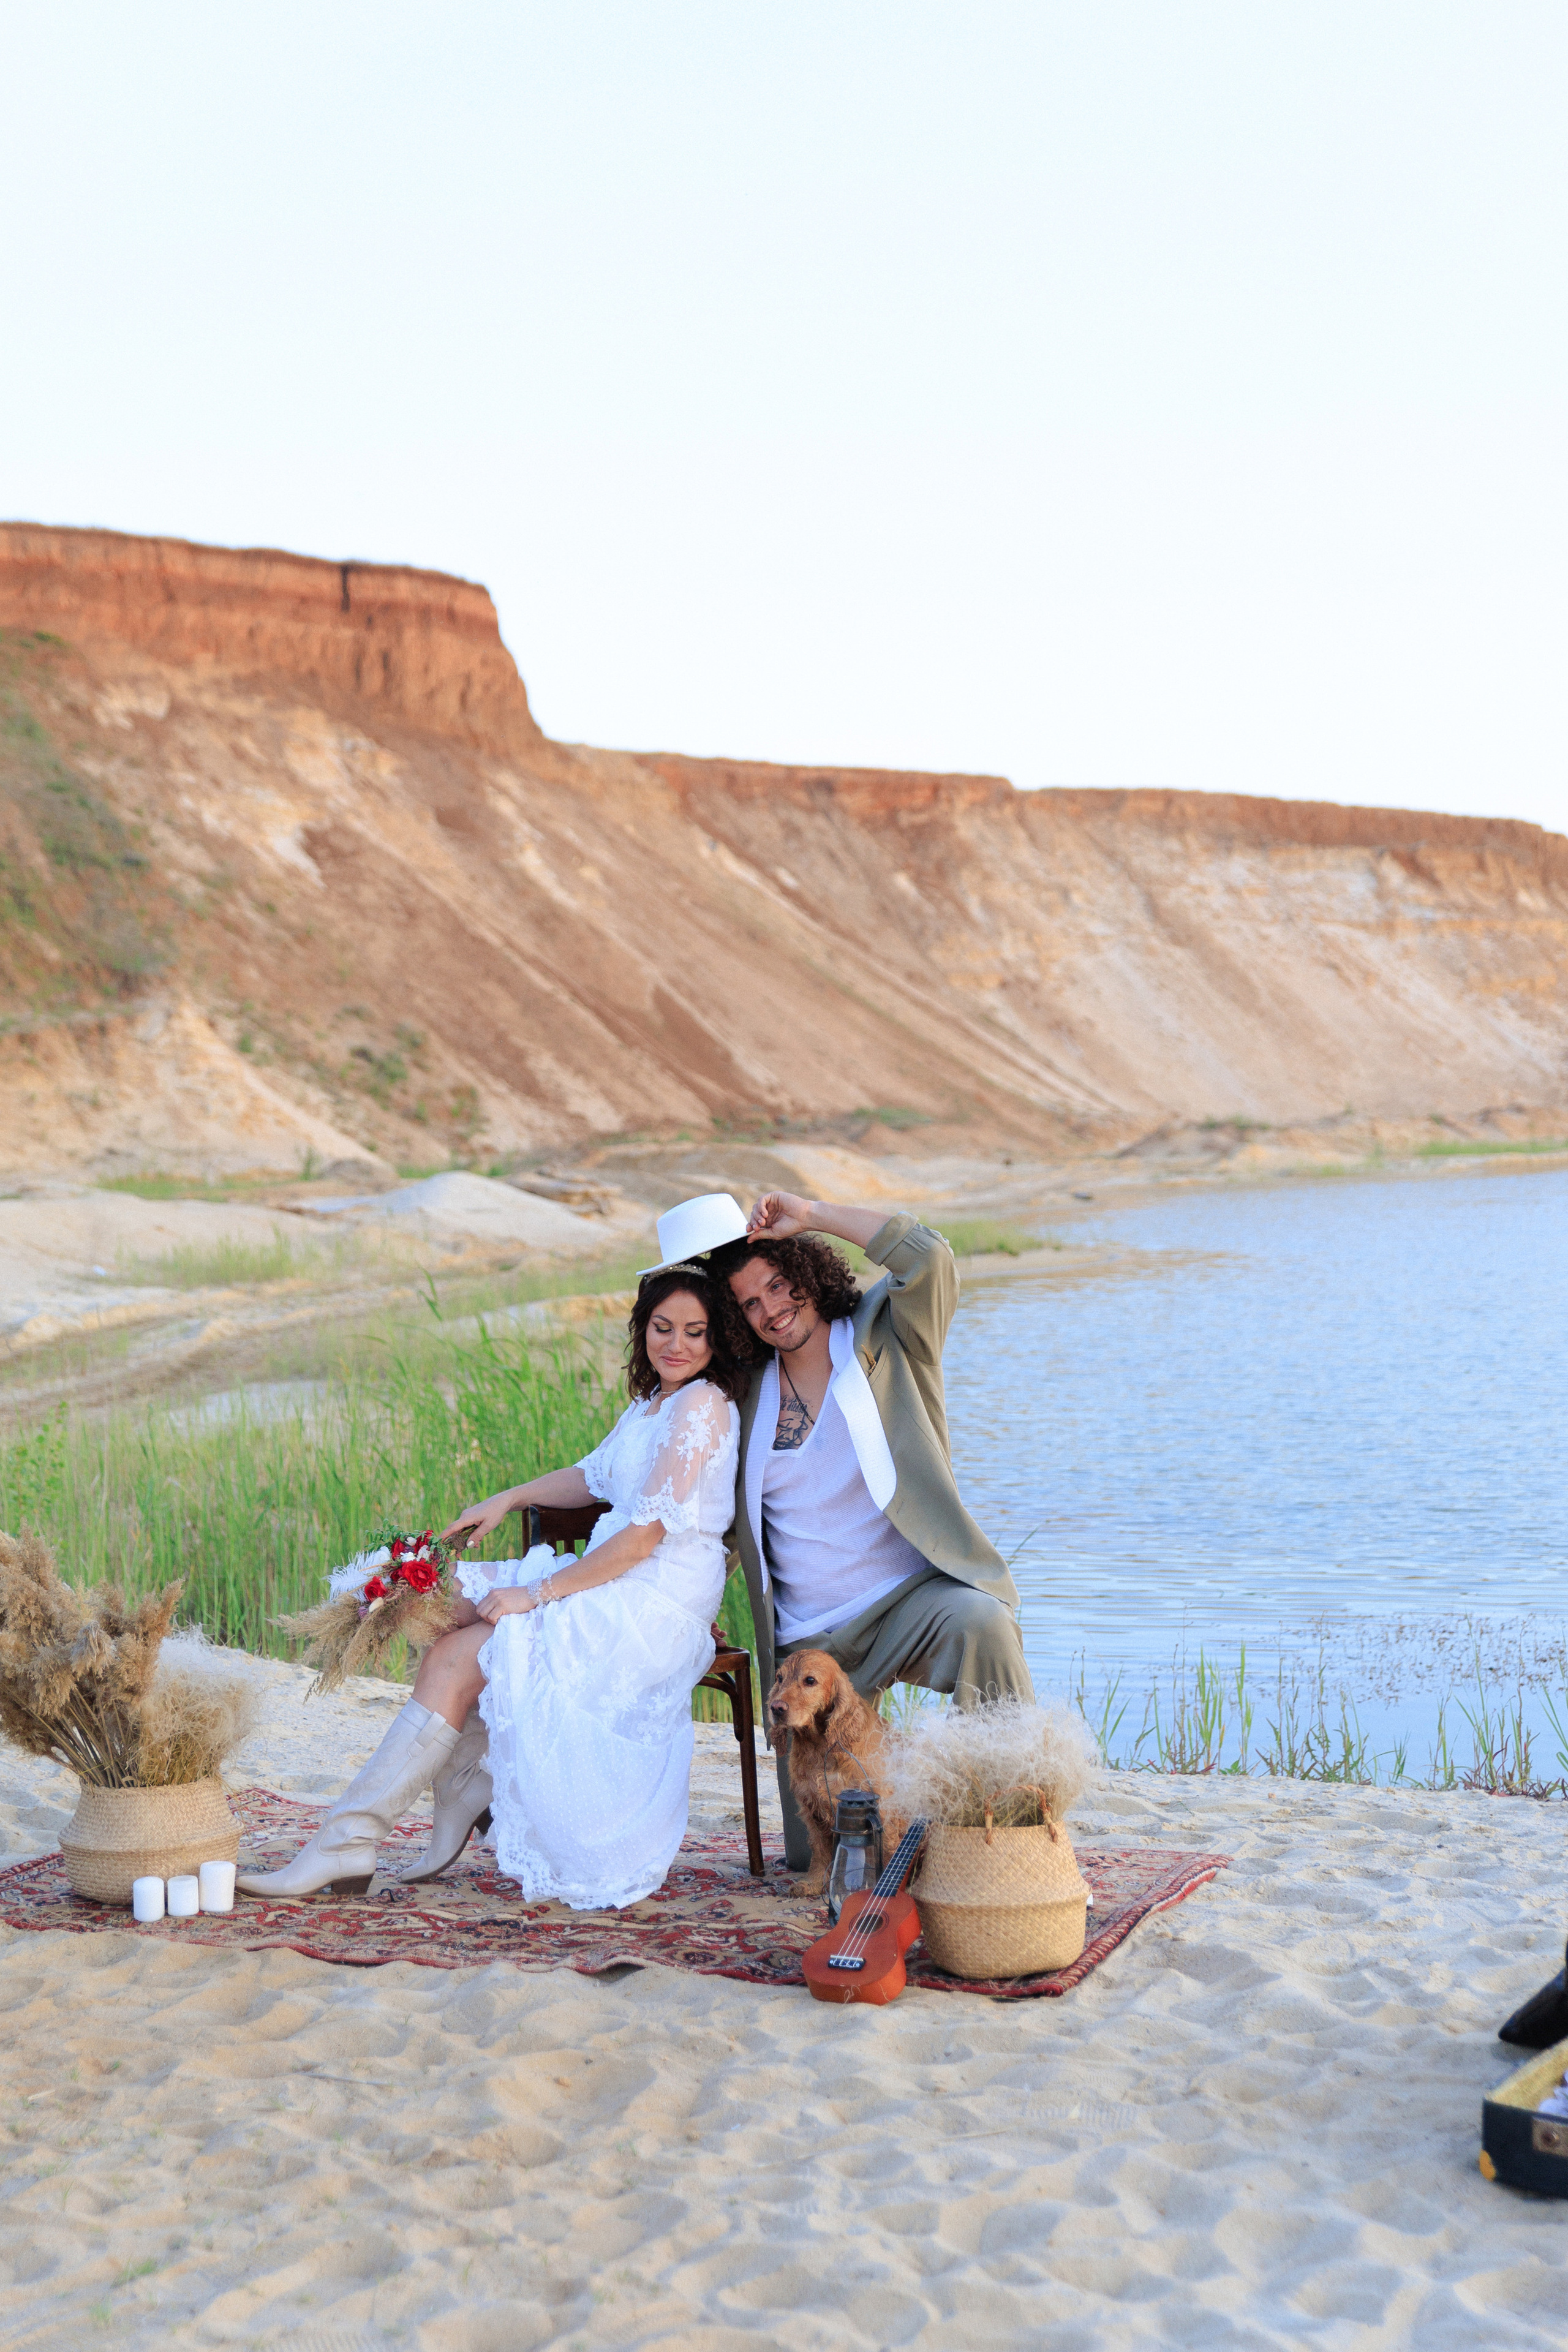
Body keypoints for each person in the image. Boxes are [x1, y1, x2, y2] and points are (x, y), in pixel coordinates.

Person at [236, 1265, 745, 1907]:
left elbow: (643, 1538)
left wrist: (536, 1594)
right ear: (643, 1328)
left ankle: (354, 1839)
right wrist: (508, 1498)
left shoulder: (702, 1404)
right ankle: (453, 1788)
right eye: (662, 1327)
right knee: (427, 1597)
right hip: (610, 1575)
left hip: (651, 1599)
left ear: (717, 1338)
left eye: (695, 1333)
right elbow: (592, 1477)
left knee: (456, 1653)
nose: (676, 1345)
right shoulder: (654, 1403)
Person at [709, 1190, 1033, 1872]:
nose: (772, 1309)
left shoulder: (885, 1334)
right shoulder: (741, 1391)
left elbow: (929, 1258)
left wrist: (811, 1214)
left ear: (807, 1270)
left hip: (907, 1605)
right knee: (819, 1858)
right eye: (750, 1303)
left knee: (983, 1623)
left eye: (779, 1284)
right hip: (807, 1646)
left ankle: (1013, 1845)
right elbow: (720, 1520)